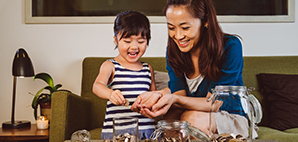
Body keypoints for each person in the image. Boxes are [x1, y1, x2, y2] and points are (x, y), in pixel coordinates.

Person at [131, 0, 258, 139]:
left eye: (185, 28)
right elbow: (180, 96)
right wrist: (159, 98)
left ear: (206, 20)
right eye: (171, 28)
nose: (178, 36)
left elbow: (215, 104)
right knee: (169, 120)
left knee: (190, 119)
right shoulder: (173, 51)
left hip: (230, 115)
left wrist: (173, 98)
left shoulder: (230, 46)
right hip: (193, 111)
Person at [92, 10, 156, 140]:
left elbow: (153, 96)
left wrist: (149, 105)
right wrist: (110, 94)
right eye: (127, 41)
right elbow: (97, 86)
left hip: (146, 131)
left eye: (141, 41)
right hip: (117, 132)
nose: (134, 47)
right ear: (116, 40)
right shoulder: (110, 65)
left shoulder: (147, 69)